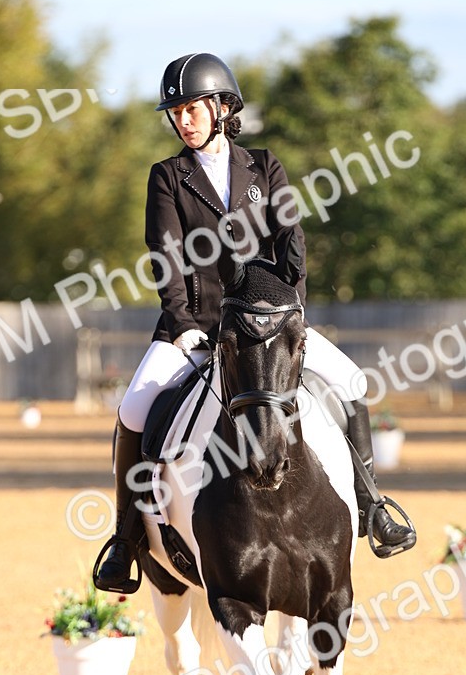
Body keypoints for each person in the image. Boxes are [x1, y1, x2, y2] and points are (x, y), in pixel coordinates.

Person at [94, 52, 415, 592]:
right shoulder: (168, 177)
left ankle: (371, 504)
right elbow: (165, 256)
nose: (183, 120)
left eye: (192, 108)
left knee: (352, 384)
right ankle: (125, 538)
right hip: (194, 323)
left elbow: (292, 245)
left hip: (269, 322)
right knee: (133, 409)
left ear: (222, 107)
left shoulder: (265, 166)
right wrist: (182, 322)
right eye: (175, 113)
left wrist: (288, 313)